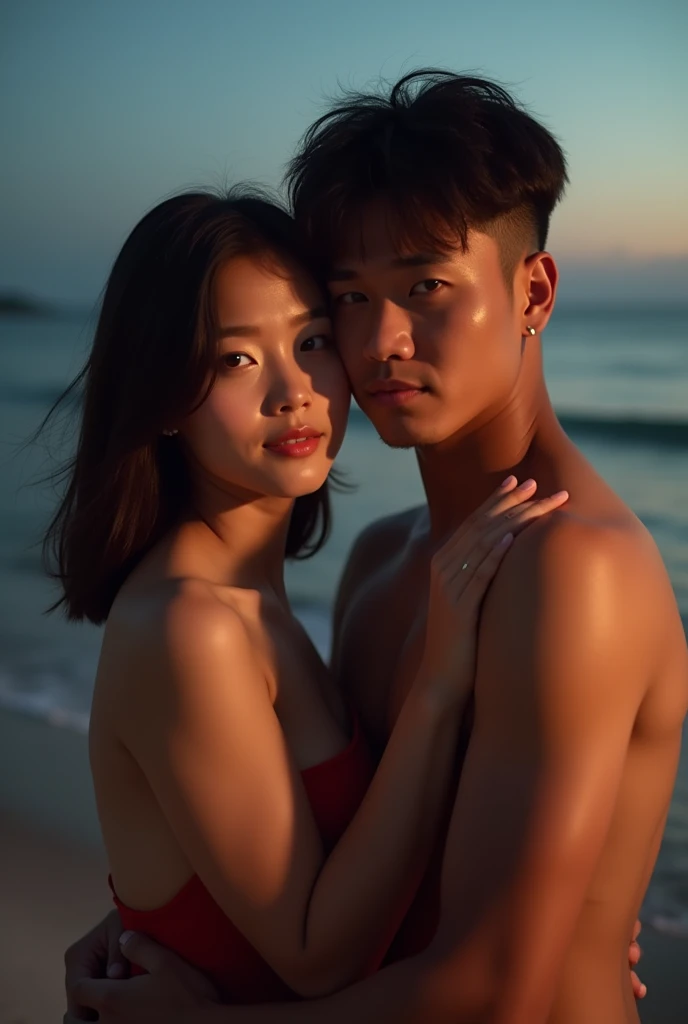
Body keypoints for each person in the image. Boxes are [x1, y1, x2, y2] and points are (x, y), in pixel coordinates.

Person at [65, 72, 687, 1023]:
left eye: (426, 285)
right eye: (349, 298)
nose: (382, 339)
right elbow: (347, 887)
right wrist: (149, 916)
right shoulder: (385, 562)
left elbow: (495, 992)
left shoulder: (574, 572)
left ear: (535, 290)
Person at [48, 188, 567, 1011]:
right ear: (164, 390)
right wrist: (438, 683)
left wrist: (556, 931)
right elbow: (319, 959)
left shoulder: (253, 603)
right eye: (235, 359)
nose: (293, 391)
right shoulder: (190, 628)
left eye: (313, 339)